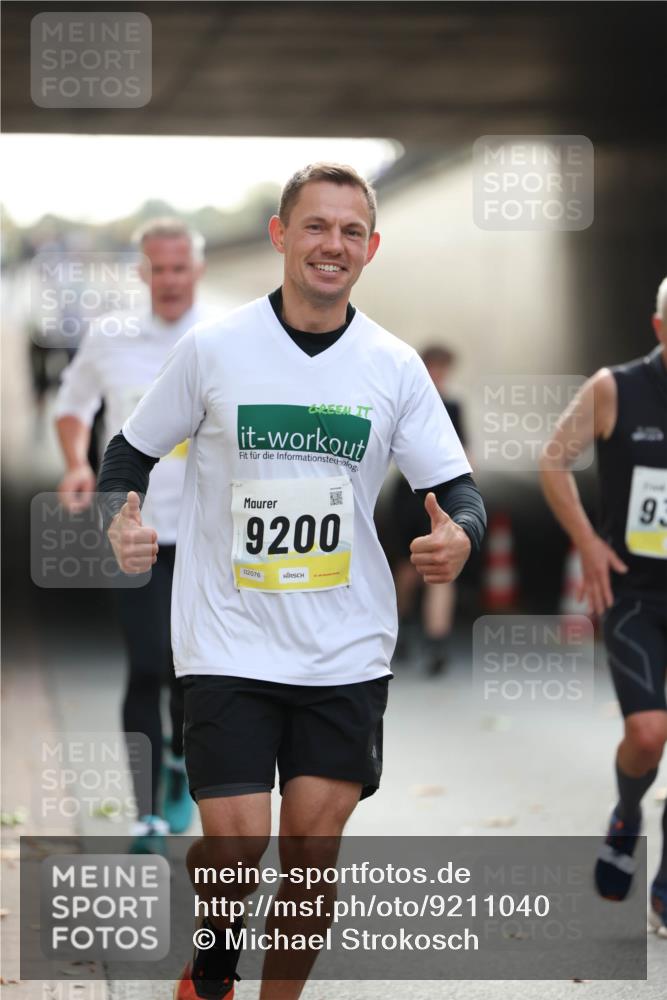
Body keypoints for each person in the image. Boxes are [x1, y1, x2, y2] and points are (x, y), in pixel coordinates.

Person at [97, 163, 486, 999]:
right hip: (226, 639)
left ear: (370, 248)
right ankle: (213, 961)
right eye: (315, 226)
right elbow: (127, 451)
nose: (331, 245)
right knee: (236, 847)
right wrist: (119, 518)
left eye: (350, 231)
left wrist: (461, 537)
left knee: (311, 856)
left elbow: (454, 490)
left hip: (343, 648)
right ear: (280, 235)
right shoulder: (213, 350)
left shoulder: (391, 365)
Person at [54, 218, 207, 842]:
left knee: (191, 670)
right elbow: (73, 406)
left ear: (197, 270)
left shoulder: (230, 331)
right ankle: (146, 808)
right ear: (142, 273)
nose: (169, 279)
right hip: (134, 529)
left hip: (212, 534)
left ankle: (179, 765)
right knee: (147, 664)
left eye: (180, 268)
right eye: (158, 269)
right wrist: (75, 465)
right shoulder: (110, 337)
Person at [540, 277, 667, 934]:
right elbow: (553, 461)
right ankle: (625, 814)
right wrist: (587, 541)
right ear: (659, 329)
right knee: (648, 734)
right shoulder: (613, 388)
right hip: (633, 592)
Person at [389, 344, 468, 675]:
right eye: (432, 368)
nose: (437, 375)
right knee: (407, 572)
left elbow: (465, 452)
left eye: (442, 369)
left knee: (441, 569)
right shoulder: (409, 401)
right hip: (410, 495)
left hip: (441, 494)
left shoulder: (452, 407)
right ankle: (405, 625)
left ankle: (437, 644)